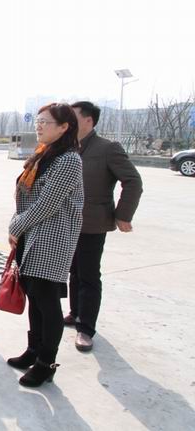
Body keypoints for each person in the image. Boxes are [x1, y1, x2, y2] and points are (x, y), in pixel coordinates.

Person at [6, 102, 84, 387]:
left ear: (64, 127)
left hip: (52, 238)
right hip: (31, 234)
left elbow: (47, 204)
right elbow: (25, 196)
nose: (39, 126)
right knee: (34, 297)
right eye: (37, 121)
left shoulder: (69, 160)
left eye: (45, 122)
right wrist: (17, 225)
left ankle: (46, 363)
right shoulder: (44, 153)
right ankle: (34, 349)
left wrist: (16, 226)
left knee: (47, 302)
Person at [66, 101, 143, 352]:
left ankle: (86, 329)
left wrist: (123, 215)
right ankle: (75, 312)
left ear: (88, 120)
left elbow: (133, 181)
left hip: (93, 222)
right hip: (67, 221)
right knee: (74, 271)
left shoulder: (107, 148)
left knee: (88, 275)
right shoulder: (67, 146)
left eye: (73, 117)